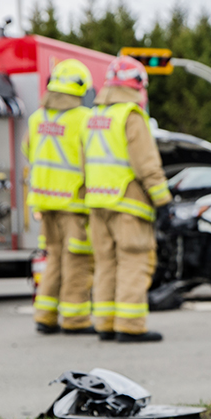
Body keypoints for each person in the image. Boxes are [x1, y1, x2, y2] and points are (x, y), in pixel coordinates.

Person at [84, 56, 172, 343]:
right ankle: (130, 325)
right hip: (128, 203)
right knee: (135, 261)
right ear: (138, 84)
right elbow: (146, 164)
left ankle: (105, 323)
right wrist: (163, 202)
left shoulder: (94, 116)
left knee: (106, 264)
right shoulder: (130, 116)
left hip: (98, 204)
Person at [24, 59, 95, 335]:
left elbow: (28, 151)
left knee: (53, 259)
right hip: (73, 203)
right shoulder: (83, 120)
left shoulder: (36, 118)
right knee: (77, 261)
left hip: (44, 201)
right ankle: (76, 320)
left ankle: (45, 316)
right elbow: (91, 161)